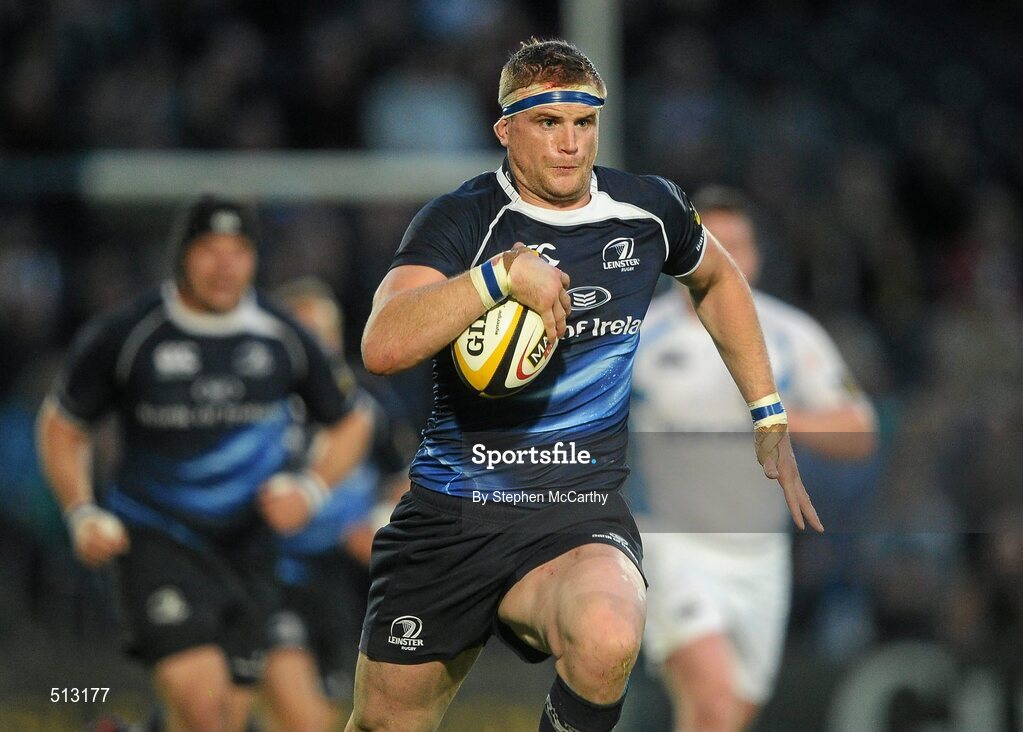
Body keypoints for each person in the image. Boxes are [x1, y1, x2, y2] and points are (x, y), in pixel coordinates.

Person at [352, 38, 823, 732]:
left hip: (576, 511)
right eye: (548, 122)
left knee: (608, 636)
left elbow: (719, 278)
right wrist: (498, 277)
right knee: (385, 724)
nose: (570, 143)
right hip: (453, 514)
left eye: (584, 122)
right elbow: (383, 344)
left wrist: (767, 408)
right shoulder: (461, 219)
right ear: (505, 130)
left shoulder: (648, 210)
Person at [35, 196, 372, 732]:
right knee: (205, 711)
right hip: (157, 539)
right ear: (181, 255)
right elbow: (63, 424)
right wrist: (81, 510)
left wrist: (310, 489)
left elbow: (351, 420)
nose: (224, 266)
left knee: (224, 719)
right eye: (209, 250)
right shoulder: (130, 333)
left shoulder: (281, 335)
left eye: (238, 251)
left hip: (251, 549)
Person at [627, 186, 877, 732]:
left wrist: (778, 417)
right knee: (714, 700)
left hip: (762, 556)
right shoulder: (641, 334)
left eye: (736, 245)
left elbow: (860, 432)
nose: (724, 257)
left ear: (757, 255)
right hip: (673, 546)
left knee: (725, 717)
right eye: (710, 244)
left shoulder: (789, 334)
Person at [262, 277, 409, 732]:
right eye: (305, 335)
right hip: (270, 577)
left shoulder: (369, 402)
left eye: (324, 335)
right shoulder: (253, 406)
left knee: (325, 715)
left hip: (343, 585)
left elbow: (405, 479)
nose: (317, 349)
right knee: (301, 718)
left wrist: (377, 524)